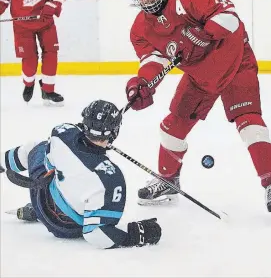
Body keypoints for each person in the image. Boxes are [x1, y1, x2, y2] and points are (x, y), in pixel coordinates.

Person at [124, 0, 271, 220]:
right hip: (200, 76)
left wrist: (205, 33)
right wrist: (142, 83)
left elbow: (230, 18)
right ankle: (168, 181)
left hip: (235, 62)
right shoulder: (140, 30)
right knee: (172, 126)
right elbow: (154, 61)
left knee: (250, 123)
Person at [0, 100, 162, 249]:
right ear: (114, 133)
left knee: (35, 147)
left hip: (41, 199)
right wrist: (135, 236)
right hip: (64, 227)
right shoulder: (112, 179)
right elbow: (96, 235)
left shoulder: (61, 133)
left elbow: (53, 162)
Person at [0, 0, 65, 105]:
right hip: (22, 26)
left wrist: (50, 8)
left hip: (46, 23)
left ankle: (48, 90)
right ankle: (29, 84)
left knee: (51, 53)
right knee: (29, 59)